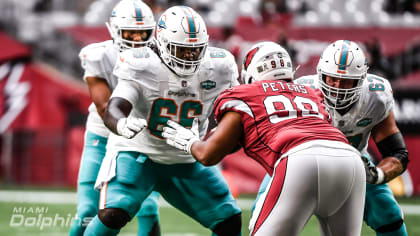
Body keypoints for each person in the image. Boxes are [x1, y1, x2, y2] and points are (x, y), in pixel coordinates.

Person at [162, 41, 366, 236]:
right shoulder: (312, 93)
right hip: (350, 159)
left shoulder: (245, 94)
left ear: (251, 72)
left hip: (299, 159)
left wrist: (190, 141)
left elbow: (208, 156)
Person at [83, 6, 242, 236]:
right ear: (163, 43)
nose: (189, 57)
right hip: (139, 152)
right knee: (113, 213)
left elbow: (236, 111)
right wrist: (121, 123)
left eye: (195, 50)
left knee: (229, 220)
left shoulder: (218, 66)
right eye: (182, 49)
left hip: (187, 157)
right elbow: (115, 106)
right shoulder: (141, 63)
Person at [292, 39, 410, 236]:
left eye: (346, 81)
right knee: (264, 213)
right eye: (332, 79)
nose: (338, 88)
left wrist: (376, 175)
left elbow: (397, 154)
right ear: (321, 75)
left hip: (356, 163)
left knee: (390, 217)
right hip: (302, 164)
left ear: (361, 79)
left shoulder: (376, 97)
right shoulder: (300, 93)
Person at [69, 1, 161, 235]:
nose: (137, 39)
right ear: (114, 29)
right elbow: (104, 107)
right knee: (88, 210)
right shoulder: (99, 55)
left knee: (148, 207)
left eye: (143, 33)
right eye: (130, 32)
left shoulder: (161, 56)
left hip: (141, 139)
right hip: (103, 133)